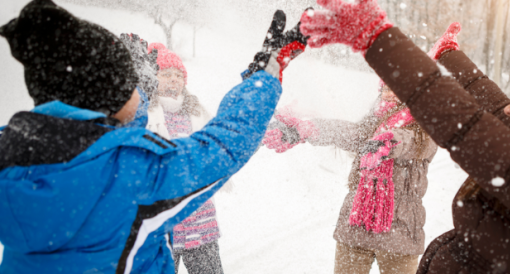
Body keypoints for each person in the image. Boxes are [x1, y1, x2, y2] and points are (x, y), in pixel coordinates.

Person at [300, 1, 510, 273]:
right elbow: (494, 106)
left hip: (398, 235)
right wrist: (450, 57)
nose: (509, 109)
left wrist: (377, 38)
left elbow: (464, 124)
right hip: (359, 227)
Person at [0, 1, 308, 273]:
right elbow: (224, 143)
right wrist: (265, 75)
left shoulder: (10, 156)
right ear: (112, 99)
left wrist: (139, 92)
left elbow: (102, 138)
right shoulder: (133, 173)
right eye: (133, 84)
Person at [264, 83, 437, 274]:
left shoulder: (425, 130)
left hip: (399, 235)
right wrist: (308, 129)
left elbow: (410, 141)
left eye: (397, 89)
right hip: (356, 226)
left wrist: (389, 141)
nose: (389, 94)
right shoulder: (371, 126)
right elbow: (347, 132)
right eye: (385, 89)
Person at [145, 42, 222, 274]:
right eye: (166, 74)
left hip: (201, 220)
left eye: (178, 75)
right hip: (163, 225)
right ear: (153, 78)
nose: (173, 80)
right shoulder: (145, 112)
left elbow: (217, 148)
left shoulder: (197, 111)